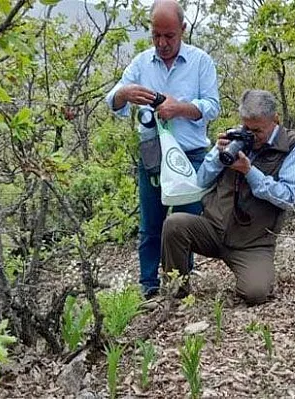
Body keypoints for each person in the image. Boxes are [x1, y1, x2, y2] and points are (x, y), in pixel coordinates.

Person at [105, 0, 220, 298]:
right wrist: (123, 94)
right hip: (153, 155)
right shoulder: (142, 63)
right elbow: (112, 102)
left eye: (169, 36)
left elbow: (212, 107)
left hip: (190, 155)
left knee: (184, 223)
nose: (162, 43)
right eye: (156, 35)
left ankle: (181, 285)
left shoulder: (200, 62)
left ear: (182, 30)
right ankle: (148, 287)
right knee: (151, 222)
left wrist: (178, 108)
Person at [161, 89, 295, 305]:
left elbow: (287, 197)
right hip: (213, 228)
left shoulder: (294, 146)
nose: (251, 135)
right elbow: (200, 182)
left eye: (257, 130)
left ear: (275, 119)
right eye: (246, 128)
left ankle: (251, 273)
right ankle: (176, 295)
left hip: (253, 241)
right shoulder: (234, 138)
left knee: (256, 293)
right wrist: (217, 157)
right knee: (174, 224)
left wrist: (250, 172)